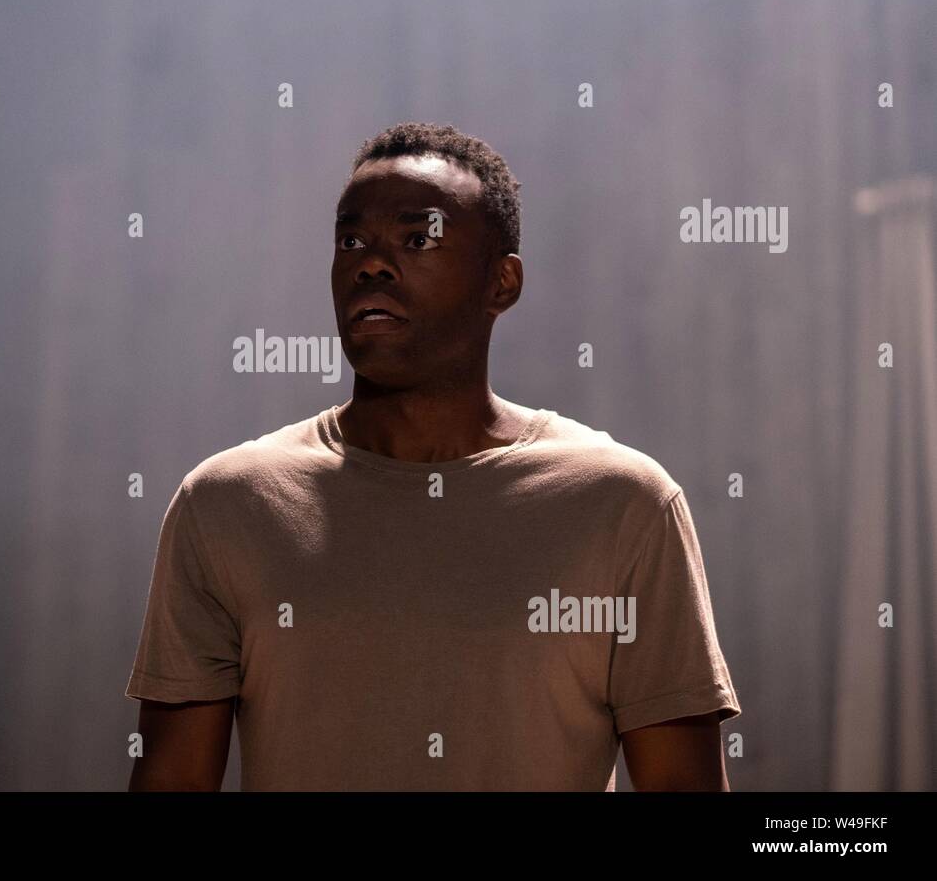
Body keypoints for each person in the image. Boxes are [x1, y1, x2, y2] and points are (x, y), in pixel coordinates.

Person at [125, 121, 740, 791]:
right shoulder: (228, 503)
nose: (371, 262)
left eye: (419, 238)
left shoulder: (623, 504)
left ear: (501, 283)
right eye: (351, 240)